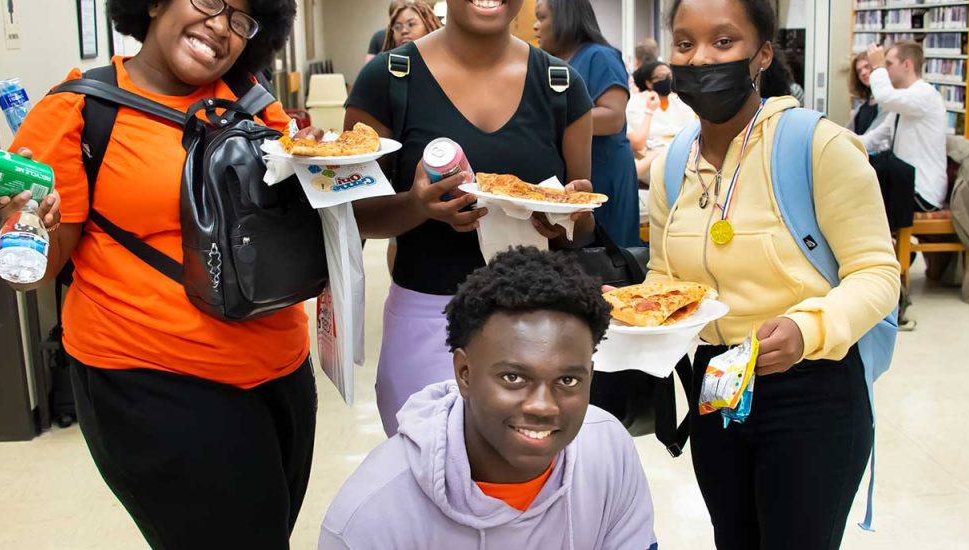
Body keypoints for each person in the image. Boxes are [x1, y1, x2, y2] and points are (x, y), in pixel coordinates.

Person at [0, 1, 319, 547]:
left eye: (241, 19)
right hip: (154, 378)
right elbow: (35, 270)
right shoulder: (80, 109)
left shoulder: (255, 105)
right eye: (210, 1)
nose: (220, 25)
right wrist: (27, 220)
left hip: (279, 370)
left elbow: (300, 214)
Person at [650, 0, 901, 548]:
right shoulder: (673, 163)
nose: (699, 59)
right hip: (716, 385)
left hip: (812, 389)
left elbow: (878, 272)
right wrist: (627, 309)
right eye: (685, 44)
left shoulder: (818, 146)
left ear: (762, 53)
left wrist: (808, 328)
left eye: (723, 42)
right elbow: (663, 279)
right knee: (734, 539)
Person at [343, 0, 597, 436]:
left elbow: (584, 222)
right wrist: (417, 206)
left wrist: (567, 218)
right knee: (425, 472)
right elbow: (357, 216)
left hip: (538, 325)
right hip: (427, 319)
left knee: (530, 487)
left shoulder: (561, 85)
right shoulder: (387, 79)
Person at [319, 248, 657, 550]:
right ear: (464, 373)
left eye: (568, 380)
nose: (543, 405)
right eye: (513, 378)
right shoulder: (372, 517)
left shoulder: (608, 452)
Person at [535, 0, 641, 247]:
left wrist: (550, 120)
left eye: (541, 18)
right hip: (581, 171)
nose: (536, 26)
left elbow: (613, 117)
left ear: (565, 17)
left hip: (604, 170)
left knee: (608, 252)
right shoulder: (562, 64)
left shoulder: (599, 56)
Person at [865, 40, 949, 211]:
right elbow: (875, 137)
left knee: (862, 200)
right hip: (904, 185)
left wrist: (877, 67)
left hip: (922, 192)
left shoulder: (925, 94)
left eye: (888, 64)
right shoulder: (904, 102)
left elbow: (884, 96)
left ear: (907, 65)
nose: (885, 69)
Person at [848, 51, 888, 141]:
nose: (863, 73)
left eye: (866, 66)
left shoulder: (885, 103)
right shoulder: (861, 107)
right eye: (859, 71)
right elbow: (847, 132)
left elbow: (874, 136)